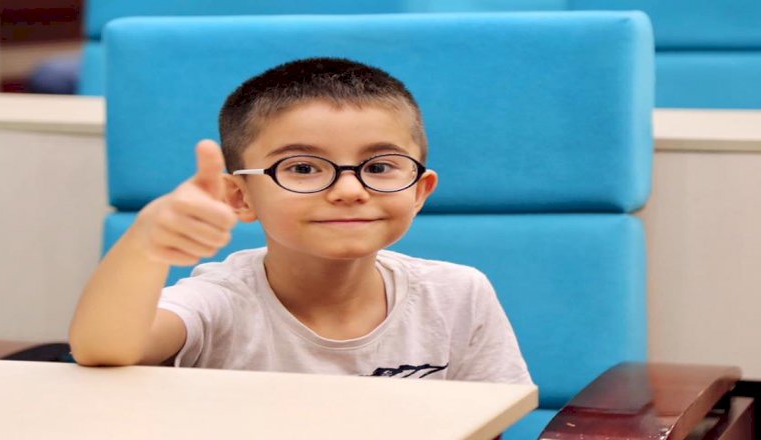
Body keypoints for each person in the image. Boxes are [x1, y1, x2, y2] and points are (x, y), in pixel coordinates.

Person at [69, 57, 531, 383]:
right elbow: (104, 348)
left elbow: (491, 422)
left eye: (378, 167)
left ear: (419, 191)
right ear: (240, 196)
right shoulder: (220, 301)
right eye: (304, 168)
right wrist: (146, 243)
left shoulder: (458, 294)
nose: (349, 190)